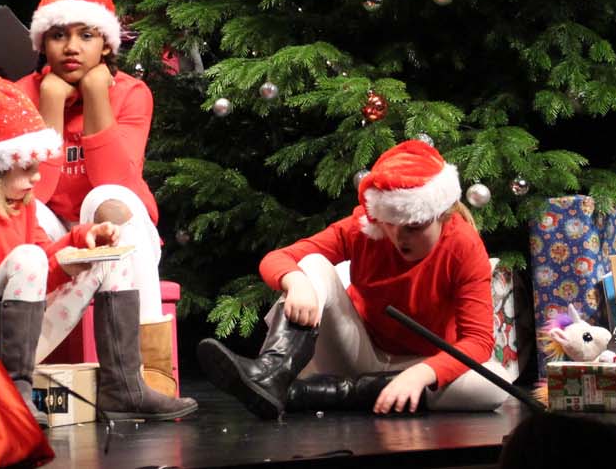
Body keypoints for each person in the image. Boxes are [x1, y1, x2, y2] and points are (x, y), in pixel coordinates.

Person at [198, 139, 511, 418]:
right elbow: (278, 258)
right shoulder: (364, 227)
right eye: (390, 222)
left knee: (493, 385)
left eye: (413, 226)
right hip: (358, 350)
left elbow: (478, 340)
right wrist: (296, 281)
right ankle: (272, 372)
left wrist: (422, 373)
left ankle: (311, 393)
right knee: (312, 264)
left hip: (422, 363)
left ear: (440, 214)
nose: (399, 237)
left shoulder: (463, 245)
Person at [0, 77, 197, 421]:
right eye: (27, 168)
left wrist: (82, 241)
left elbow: (44, 265)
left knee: (112, 253)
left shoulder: (21, 206)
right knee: (28, 258)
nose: (37, 177)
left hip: (21, 341)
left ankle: (123, 388)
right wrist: (52, 267)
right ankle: (10, 394)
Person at [13, 0, 172, 324]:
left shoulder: (131, 93)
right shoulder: (21, 95)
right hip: (51, 234)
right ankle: (29, 350)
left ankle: (144, 346)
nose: (72, 48)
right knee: (24, 207)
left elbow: (116, 183)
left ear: (105, 44)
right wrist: (51, 104)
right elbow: (33, 194)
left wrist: (97, 93)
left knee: (108, 198)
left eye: (86, 35)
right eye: (58, 35)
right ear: (43, 43)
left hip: (121, 231)